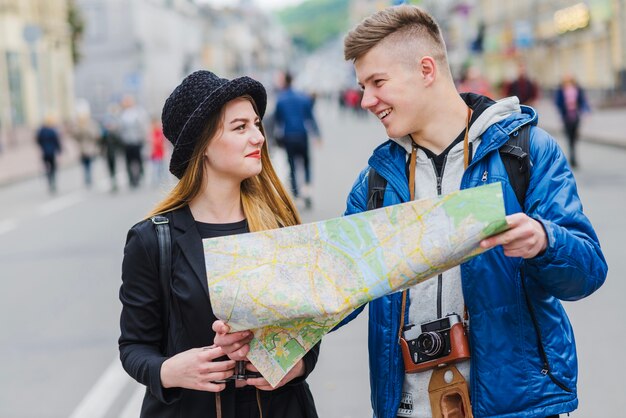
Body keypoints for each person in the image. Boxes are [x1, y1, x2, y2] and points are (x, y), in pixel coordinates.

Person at [338, 5, 607, 418]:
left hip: (516, 407)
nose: (366, 100)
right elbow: (339, 290)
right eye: (363, 86)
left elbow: (586, 273)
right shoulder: (375, 182)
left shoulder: (526, 152)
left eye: (377, 82)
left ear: (427, 69)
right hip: (410, 407)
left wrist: (544, 241)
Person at [118, 70, 319, 418]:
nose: (258, 137)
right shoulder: (152, 239)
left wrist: (296, 368)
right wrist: (170, 371)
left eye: (256, 124)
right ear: (203, 146)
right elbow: (134, 346)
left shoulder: (279, 226)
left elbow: (310, 331)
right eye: (240, 127)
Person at [273, 72, 321, 209]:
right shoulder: (302, 97)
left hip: (288, 136)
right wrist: (317, 135)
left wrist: (273, 138)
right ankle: (307, 189)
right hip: (302, 135)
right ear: (292, 80)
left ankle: (297, 194)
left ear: (283, 82)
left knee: (292, 166)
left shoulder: (280, 100)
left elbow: (277, 121)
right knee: (306, 164)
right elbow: (311, 118)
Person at [554, 73, 590, 168]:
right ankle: (572, 157)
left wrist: (585, 111)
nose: (568, 82)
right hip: (566, 117)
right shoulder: (561, 90)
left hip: (576, 116)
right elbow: (558, 102)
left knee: (574, 137)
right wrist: (564, 109)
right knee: (569, 137)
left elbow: (582, 101)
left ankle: (573, 154)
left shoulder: (577, 89)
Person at [118, 94, 149, 188]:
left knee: (138, 160)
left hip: (137, 141)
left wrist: (143, 138)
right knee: (128, 161)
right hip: (127, 142)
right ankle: (131, 179)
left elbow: (143, 126)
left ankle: (138, 177)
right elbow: (120, 128)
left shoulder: (138, 112)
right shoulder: (122, 114)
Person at [70, 102, 101, 187]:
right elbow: (74, 136)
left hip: (90, 147)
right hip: (82, 148)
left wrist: (86, 130)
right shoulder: (77, 125)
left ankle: (89, 176)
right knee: (84, 163)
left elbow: (95, 135)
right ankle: (87, 176)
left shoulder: (91, 123)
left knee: (90, 162)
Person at [35, 114, 62, 193]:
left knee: (47, 167)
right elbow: (57, 141)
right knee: (53, 167)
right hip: (52, 152)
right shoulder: (53, 130)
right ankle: (52, 180)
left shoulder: (41, 131)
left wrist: (42, 147)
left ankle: (49, 180)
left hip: (44, 152)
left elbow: (38, 141)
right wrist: (59, 150)